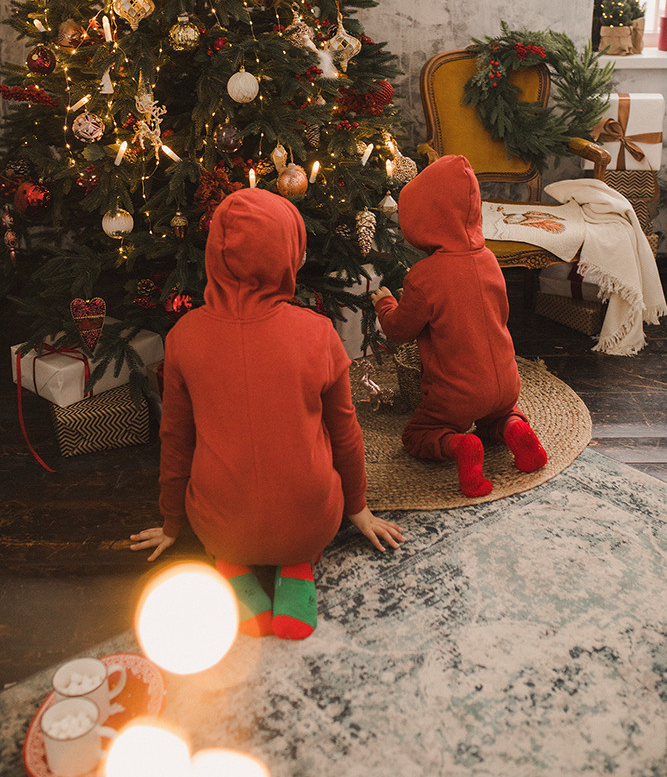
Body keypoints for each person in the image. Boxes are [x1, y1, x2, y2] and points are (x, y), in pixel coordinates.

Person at [131, 188, 404, 640]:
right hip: (313, 522)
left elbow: (175, 438)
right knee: (299, 516)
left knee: (230, 526)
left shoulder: (184, 336)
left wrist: (171, 522)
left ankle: (234, 568)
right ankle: (296, 566)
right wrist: (357, 509)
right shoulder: (318, 333)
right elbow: (346, 434)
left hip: (219, 527)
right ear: (288, 257)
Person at [371, 155, 548, 498]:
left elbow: (399, 329)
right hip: (506, 384)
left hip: (457, 395)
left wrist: (385, 303)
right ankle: (513, 428)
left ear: (423, 219)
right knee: (498, 415)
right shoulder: (490, 260)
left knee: (418, 434)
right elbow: (502, 313)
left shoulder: (425, 277)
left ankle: (459, 445)